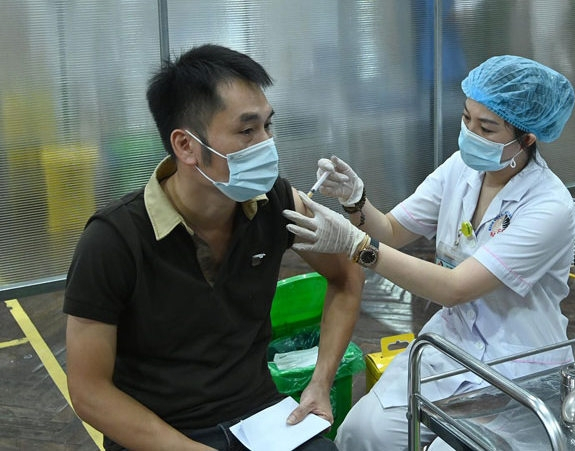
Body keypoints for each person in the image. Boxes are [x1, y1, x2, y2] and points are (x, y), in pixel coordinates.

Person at [63, 44, 364, 451]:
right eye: (247, 131)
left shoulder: (276, 202)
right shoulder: (113, 240)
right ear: (186, 146)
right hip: (157, 434)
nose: (266, 145)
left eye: (267, 127)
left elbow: (347, 276)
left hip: (260, 420)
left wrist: (320, 383)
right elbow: (88, 390)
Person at [283, 55, 575, 450]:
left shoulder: (548, 206)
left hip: (518, 364)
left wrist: (357, 247)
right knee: (361, 432)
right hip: (452, 346)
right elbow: (390, 230)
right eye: (466, 118)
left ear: (527, 139)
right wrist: (356, 202)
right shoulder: (462, 168)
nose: (470, 133)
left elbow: (454, 288)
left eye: (486, 128)